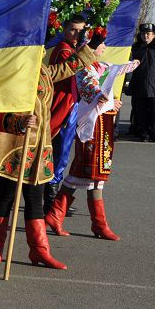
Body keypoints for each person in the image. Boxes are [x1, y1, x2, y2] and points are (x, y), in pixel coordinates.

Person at [0, 38, 100, 269]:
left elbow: (69, 66)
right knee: (6, 195)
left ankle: (39, 251)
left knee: (35, 198)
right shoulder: (10, 74)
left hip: (38, 149)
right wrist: (17, 120)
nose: (40, 53)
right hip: (14, 145)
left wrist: (94, 43)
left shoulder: (44, 71)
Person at [46, 57, 133, 241]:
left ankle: (70, 217)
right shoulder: (85, 69)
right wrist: (111, 102)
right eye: (100, 44)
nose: (103, 48)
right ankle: (94, 222)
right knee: (87, 171)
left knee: (94, 173)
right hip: (91, 128)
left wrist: (134, 63)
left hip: (102, 126)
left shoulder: (101, 66)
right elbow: (92, 95)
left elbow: (115, 74)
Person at [46, 14, 88, 213]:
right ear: (64, 28)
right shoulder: (63, 49)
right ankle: (51, 202)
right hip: (62, 107)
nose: (76, 34)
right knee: (59, 154)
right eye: (73, 29)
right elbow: (72, 69)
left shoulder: (71, 49)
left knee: (61, 153)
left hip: (70, 105)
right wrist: (89, 52)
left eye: (81, 30)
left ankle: (50, 200)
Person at [127, 23, 155, 142]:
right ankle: (143, 134)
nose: (146, 36)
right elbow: (129, 68)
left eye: (148, 34)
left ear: (153, 35)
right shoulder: (135, 48)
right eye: (143, 33)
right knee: (140, 112)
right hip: (139, 86)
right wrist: (128, 84)